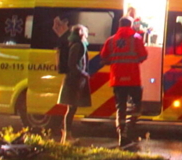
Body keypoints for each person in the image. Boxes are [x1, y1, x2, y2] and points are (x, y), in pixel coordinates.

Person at [100, 17, 148, 149]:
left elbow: (104, 57)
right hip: (133, 78)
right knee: (137, 105)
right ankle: (130, 129)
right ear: (131, 25)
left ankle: (122, 135)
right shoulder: (137, 38)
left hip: (117, 79)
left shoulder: (111, 40)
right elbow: (143, 56)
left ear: (119, 25)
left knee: (120, 107)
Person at [57, 25, 91, 144]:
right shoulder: (78, 45)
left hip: (73, 80)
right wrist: (83, 74)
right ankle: (67, 136)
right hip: (73, 81)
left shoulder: (76, 44)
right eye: (85, 32)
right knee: (71, 109)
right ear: (81, 33)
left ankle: (66, 137)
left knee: (71, 108)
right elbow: (72, 64)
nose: (87, 34)